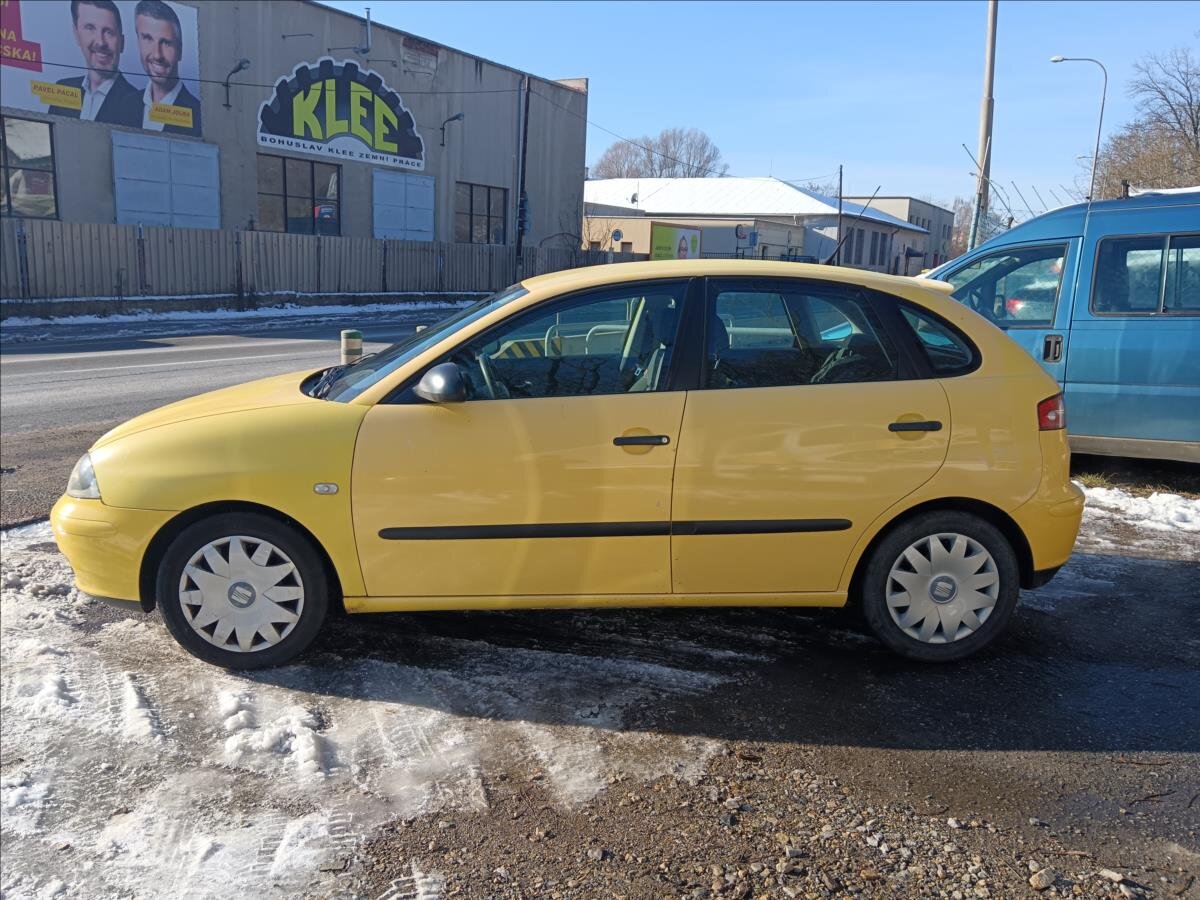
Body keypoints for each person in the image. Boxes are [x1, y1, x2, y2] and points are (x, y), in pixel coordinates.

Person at [47, 0, 142, 125]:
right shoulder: (62, 90)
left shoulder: (137, 105)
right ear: (76, 34)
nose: (101, 42)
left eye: (109, 32)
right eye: (90, 28)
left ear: (122, 43)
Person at [134, 0, 201, 136]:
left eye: (166, 43)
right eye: (148, 38)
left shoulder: (198, 115)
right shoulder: (125, 104)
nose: (157, 55)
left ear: (180, 51)